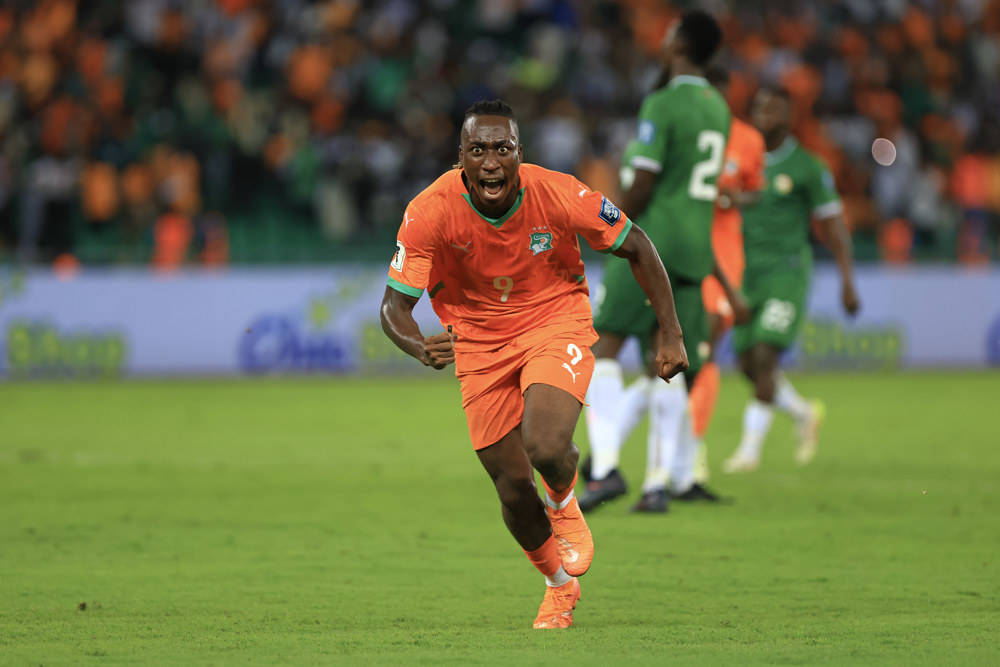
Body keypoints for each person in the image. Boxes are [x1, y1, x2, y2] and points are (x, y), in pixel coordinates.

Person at [380, 100, 689, 629]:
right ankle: (558, 585)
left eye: (502, 149)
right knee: (511, 488)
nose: (491, 162)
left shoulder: (558, 192)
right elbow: (393, 307)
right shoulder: (430, 209)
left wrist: (671, 332)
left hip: (554, 321)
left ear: (520, 153)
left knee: (545, 445)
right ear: (460, 157)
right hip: (478, 342)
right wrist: (417, 347)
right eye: (478, 150)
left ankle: (564, 503)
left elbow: (636, 244)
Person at [580, 10, 733, 513]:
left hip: (653, 241)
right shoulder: (719, 108)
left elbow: (644, 181)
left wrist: (612, 226)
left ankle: (604, 469)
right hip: (694, 246)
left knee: (604, 344)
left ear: (679, 46)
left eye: (669, 36)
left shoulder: (664, 102)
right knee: (666, 359)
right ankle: (657, 484)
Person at [722, 87, 860, 473]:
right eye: (759, 107)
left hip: (786, 272)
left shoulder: (807, 167)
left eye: (773, 108)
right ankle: (802, 412)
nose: (764, 114)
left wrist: (848, 280)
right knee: (747, 363)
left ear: (789, 115)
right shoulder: (738, 159)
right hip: (744, 273)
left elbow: (833, 224)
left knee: (765, 355)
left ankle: (749, 452)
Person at [679, 65, 767, 501]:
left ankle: (687, 458)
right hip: (681, 249)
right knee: (686, 353)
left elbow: (757, 190)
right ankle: (677, 462)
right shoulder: (684, 134)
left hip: (725, 256)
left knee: (703, 348)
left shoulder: (748, 139)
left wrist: (736, 197)